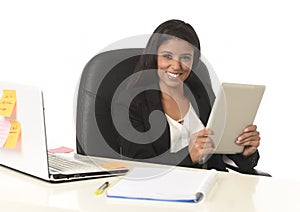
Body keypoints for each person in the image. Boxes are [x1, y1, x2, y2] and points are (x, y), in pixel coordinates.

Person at [113, 19, 260, 172]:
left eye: (185, 58)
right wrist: (188, 156)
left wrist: (245, 151)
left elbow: (223, 151)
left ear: (194, 61)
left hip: (211, 184)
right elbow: (138, 164)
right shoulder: (131, 102)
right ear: (154, 56)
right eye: (167, 56)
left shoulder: (202, 94)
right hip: (161, 189)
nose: (176, 66)